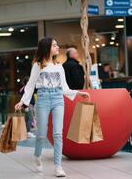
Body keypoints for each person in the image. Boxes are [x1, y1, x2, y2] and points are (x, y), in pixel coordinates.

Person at [15, 37, 90, 177]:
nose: (57, 47)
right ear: (47, 47)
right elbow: (30, 85)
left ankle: (58, 166)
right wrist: (23, 102)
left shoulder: (59, 66)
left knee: (57, 134)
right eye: (54, 45)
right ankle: (37, 155)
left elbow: (65, 88)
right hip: (43, 99)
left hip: (58, 99)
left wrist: (79, 93)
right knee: (42, 134)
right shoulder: (38, 65)